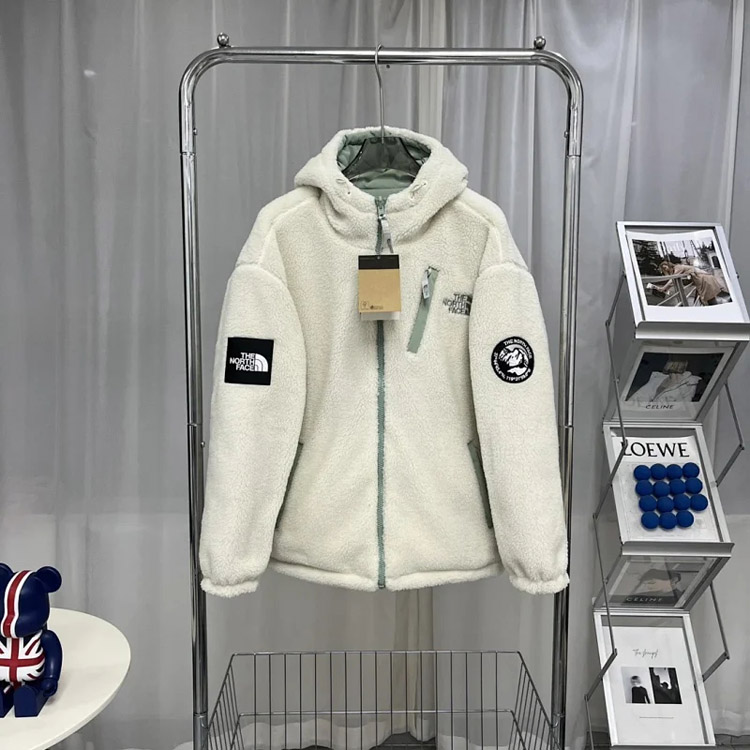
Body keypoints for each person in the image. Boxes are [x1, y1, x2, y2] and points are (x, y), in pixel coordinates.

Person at [650, 260, 729, 306]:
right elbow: (673, 281)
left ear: (668, 265)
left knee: (709, 297)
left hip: (703, 279)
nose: (665, 269)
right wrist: (665, 288)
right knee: (709, 298)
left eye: (665, 267)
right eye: (664, 269)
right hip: (702, 279)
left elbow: (672, 279)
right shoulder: (676, 269)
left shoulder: (677, 268)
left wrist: (663, 288)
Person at [628, 357, 701, 405]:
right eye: (669, 359)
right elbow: (639, 397)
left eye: (671, 359)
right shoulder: (658, 379)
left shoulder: (689, 384)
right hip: (645, 415)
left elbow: (682, 409)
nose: (668, 362)